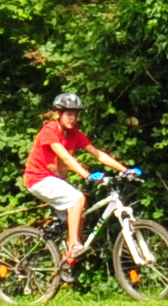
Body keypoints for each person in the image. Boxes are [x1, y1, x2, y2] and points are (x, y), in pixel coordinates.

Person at [23, 88, 125, 270]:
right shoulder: (49, 131)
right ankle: (73, 246)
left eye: (75, 115)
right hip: (38, 179)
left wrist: (125, 170)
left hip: (53, 179)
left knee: (78, 215)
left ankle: (67, 259)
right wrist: (87, 175)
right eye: (69, 114)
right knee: (77, 199)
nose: (73, 119)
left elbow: (98, 154)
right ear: (57, 114)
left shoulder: (74, 134)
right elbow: (67, 159)